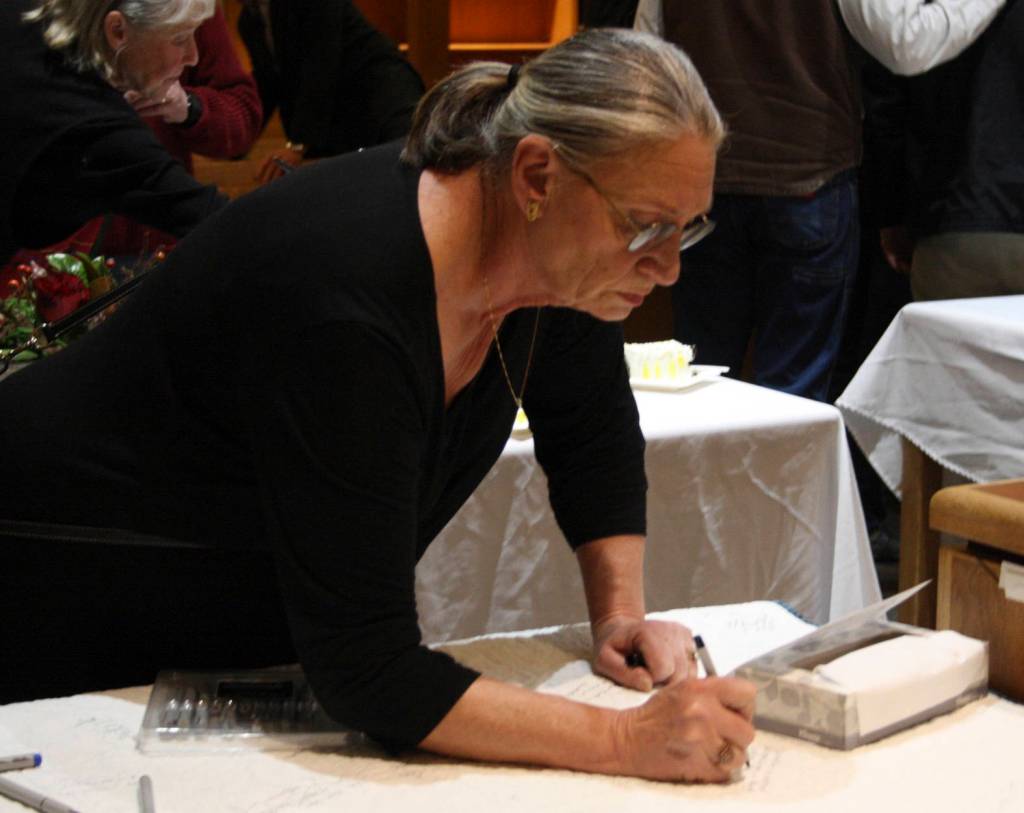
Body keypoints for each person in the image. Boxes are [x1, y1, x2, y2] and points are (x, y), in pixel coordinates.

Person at [0, 29, 756, 782]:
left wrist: (620, 614)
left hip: (215, 625)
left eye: (688, 226)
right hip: (53, 590)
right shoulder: (345, 298)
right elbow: (367, 666)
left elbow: (590, 428)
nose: (667, 268)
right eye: (647, 226)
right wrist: (627, 741)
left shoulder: (547, 262)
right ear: (537, 177)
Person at [635, 0, 1006, 401]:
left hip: (705, 187)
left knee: (697, 381)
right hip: (807, 178)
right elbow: (905, 42)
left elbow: (644, 61)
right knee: (791, 398)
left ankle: (696, 465)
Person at [0, 0, 227, 266]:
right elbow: (221, 223)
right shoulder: (95, 128)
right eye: (179, 38)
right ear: (118, 31)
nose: (193, 56)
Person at [237, 0, 425, 183]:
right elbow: (267, 83)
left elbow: (321, 62)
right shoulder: (249, 20)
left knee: (405, 177)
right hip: (337, 117)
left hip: (381, 96)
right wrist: (237, 141)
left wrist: (298, 145)